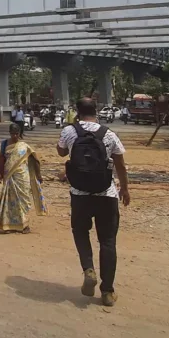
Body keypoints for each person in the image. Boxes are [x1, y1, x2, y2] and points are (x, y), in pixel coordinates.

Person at [58, 98, 129, 307]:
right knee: (107, 241)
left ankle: (88, 269)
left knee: (80, 231)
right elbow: (121, 165)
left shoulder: (70, 131)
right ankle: (107, 292)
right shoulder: (109, 133)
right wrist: (124, 188)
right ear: (96, 111)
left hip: (80, 193)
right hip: (106, 193)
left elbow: (61, 151)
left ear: (78, 112)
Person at [0, 123, 47, 233]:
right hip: (9, 176)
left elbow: (35, 161)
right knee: (9, 201)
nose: (14, 136)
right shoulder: (4, 144)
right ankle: (8, 225)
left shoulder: (24, 146)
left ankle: (24, 225)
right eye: (12, 134)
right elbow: (1, 158)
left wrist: (38, 175)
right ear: (9, 133)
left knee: (22, 201)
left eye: (16, 134)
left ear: (20, 133)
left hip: (22, 177)